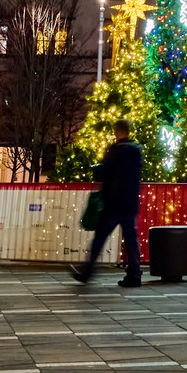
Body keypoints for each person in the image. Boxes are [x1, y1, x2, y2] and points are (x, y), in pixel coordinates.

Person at [75, 119, 143, 288]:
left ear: (116, 132)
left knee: (100, 238)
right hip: (130, 203)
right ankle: (134, 274)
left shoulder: (115, 151)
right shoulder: (136, 151)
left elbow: (104, 173)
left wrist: (97, 169)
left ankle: (87, 272)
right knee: (131, 240)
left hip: (114, 203)